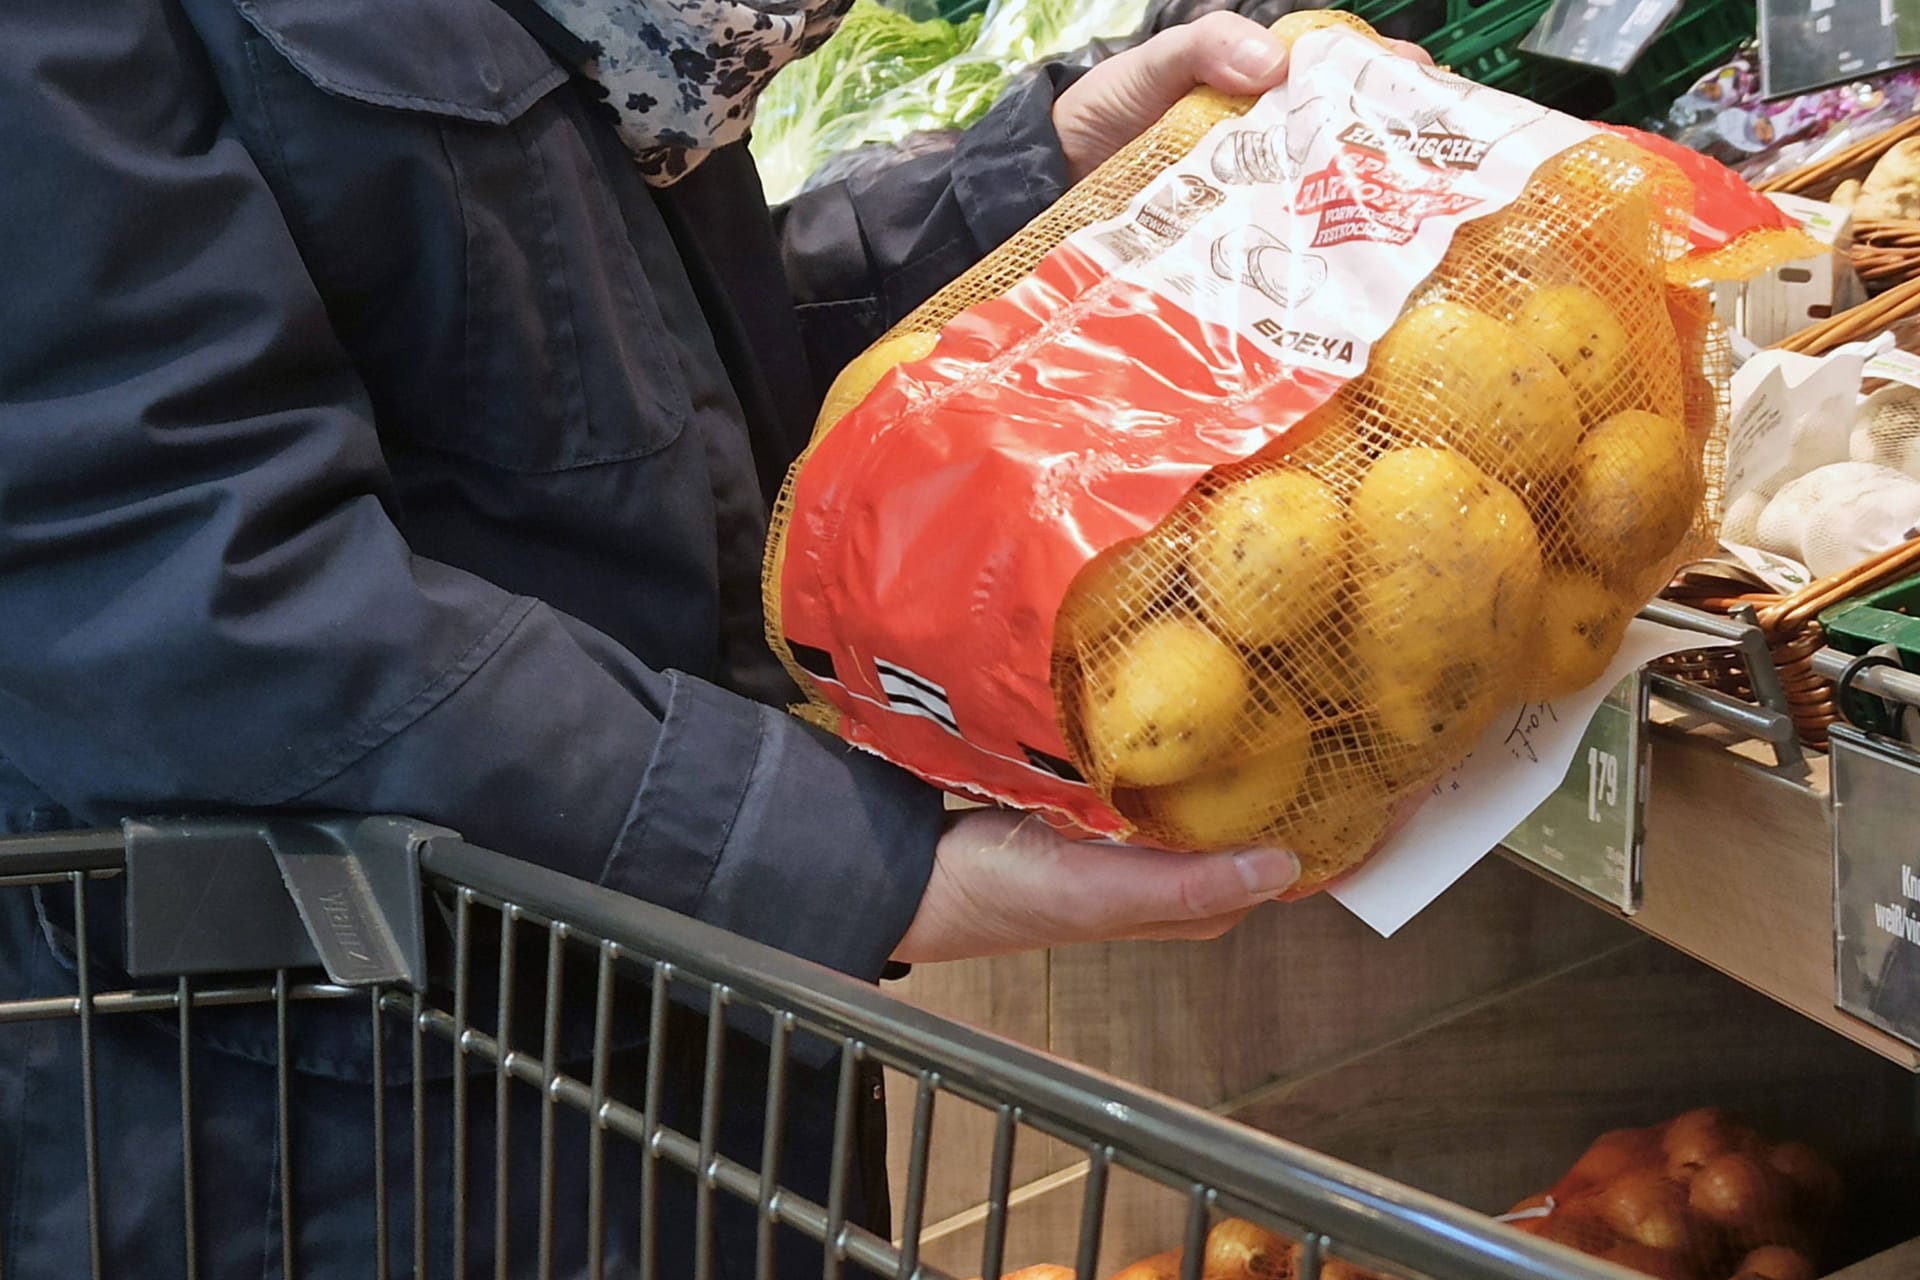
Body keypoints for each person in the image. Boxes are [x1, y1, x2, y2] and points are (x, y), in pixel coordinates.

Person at [0, 2, 1421, 1275]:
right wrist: (854, 862)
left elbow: (621, 376)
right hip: (332, 1148)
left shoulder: (628, 33)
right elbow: (178, 586)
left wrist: (1032, 185)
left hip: (706, 1079)